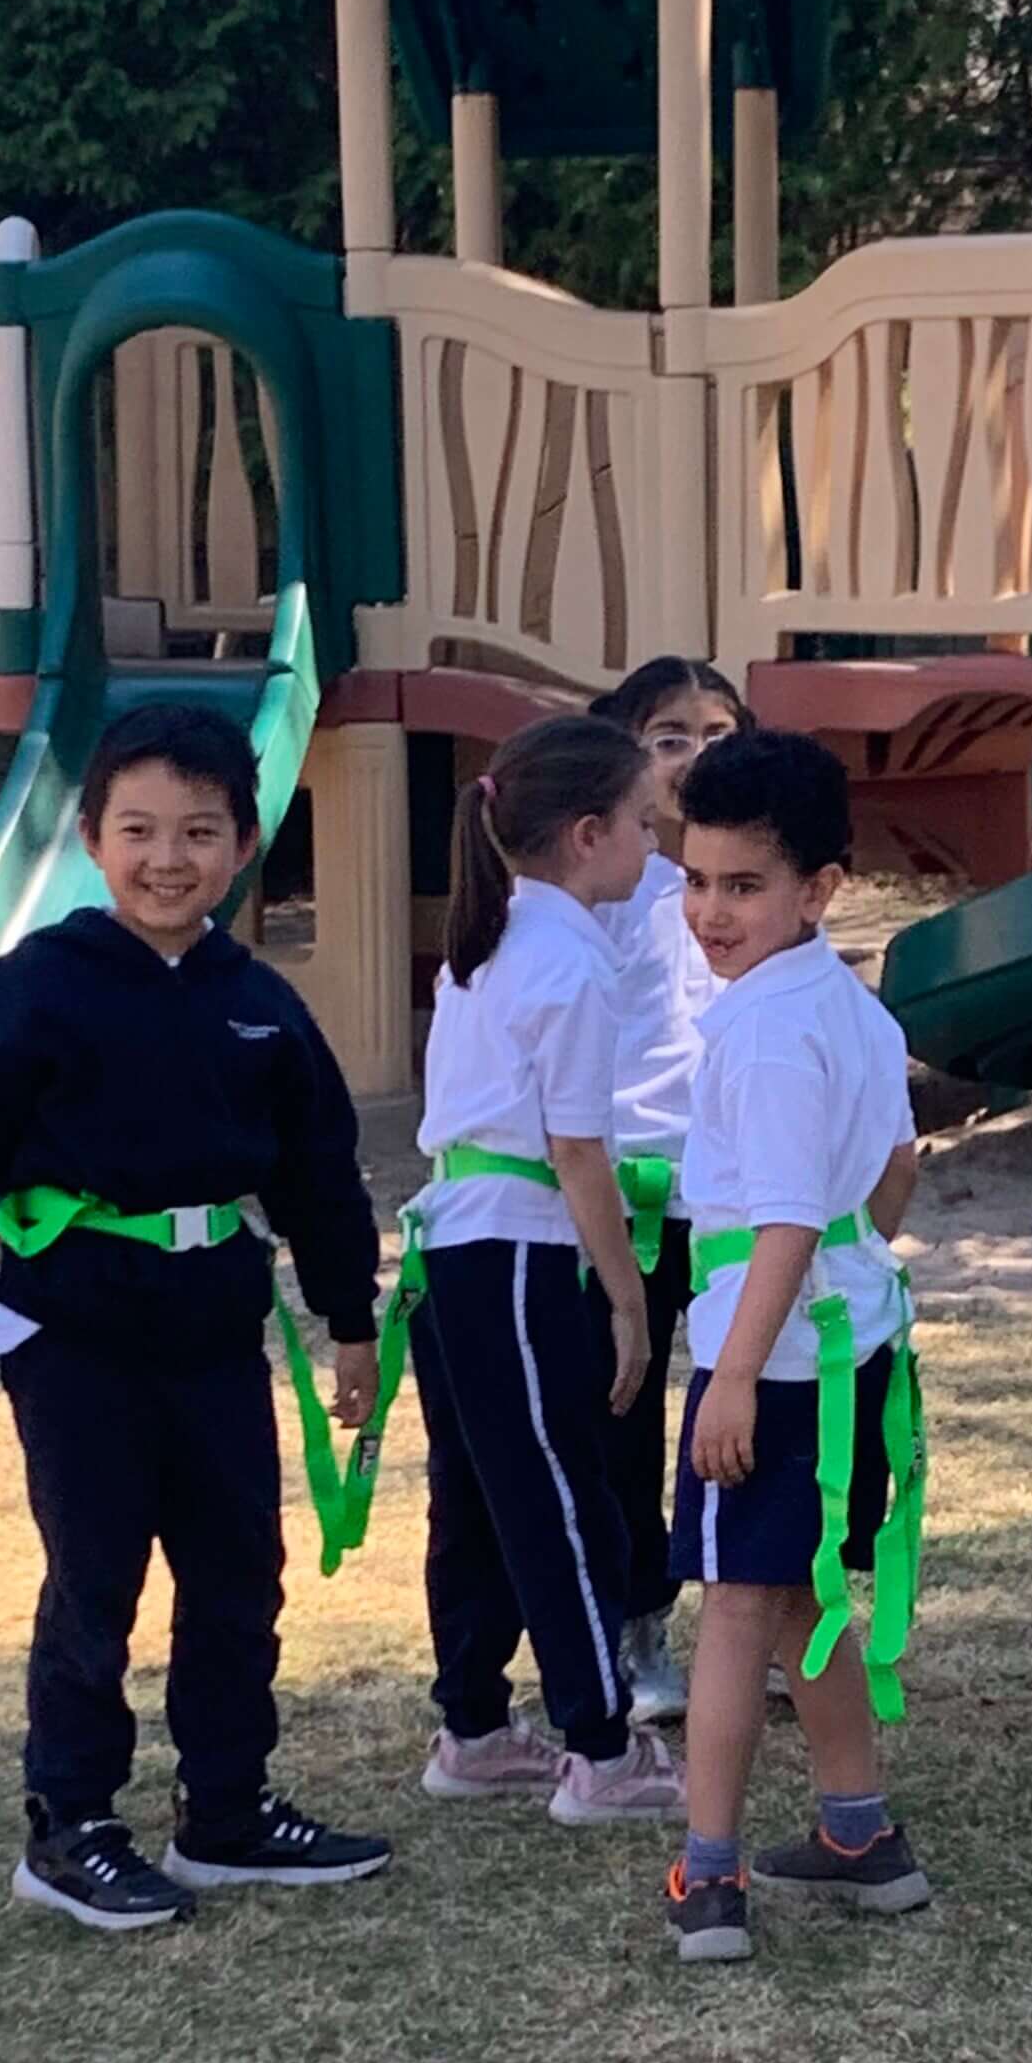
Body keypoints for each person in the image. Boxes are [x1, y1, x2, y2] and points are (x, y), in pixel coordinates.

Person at [0, 699, 391, 1932]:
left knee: (237, 1574)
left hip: (214, 1329)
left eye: (201, 832)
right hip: (77, 1334)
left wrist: (351, 1320)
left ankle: (225, 1807)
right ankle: (70, 1824)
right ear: (94, 838)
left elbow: (318, 1172)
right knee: (94, 1577)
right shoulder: (38, 987)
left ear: (244, 840)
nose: (171, 859)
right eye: (142, 830)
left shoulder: (258, 1001)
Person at [663, 728, 926, 1966]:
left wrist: (729, 1375)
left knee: (732, 1610)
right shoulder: (846, 1000)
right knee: (802, 1602)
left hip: (766, 1365)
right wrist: (849, 1272)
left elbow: (777, 1221)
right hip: (844, 1352)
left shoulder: (765, 1032)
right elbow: (896, 1167)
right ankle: (860, 1832)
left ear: (821, 888)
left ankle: (706, 1874)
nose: (709, 912)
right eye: (695, 880)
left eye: (743, 886)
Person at [409, 712, 686, 1826]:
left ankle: (474, 1728)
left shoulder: (488, 941)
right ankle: (602, 1748)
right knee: (562, 1500)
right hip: (514, 1257)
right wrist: (623, 1293)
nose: (654, 851)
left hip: (451, 1252)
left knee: (476, 1497)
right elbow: (580, 1151)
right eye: (641, 826)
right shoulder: (572, 958)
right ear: (585, 834)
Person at [589, 656, 752, 1725]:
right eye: (671, 735)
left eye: (720, 731)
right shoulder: (604, 888)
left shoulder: (767, 884)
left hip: (740, 1193)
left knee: (753, 1408)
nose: (697, 755)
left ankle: (764, 1618)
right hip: (634, 1192)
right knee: (624, 1414)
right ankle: (633, 1625)